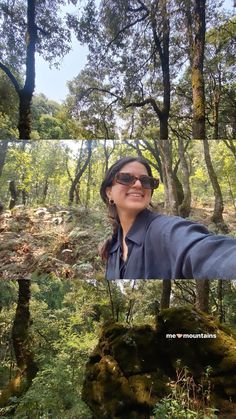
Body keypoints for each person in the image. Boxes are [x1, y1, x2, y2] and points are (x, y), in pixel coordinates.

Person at [100, 156, 236, 280]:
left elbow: (203, 251)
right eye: (126, 178)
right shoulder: (113, 248)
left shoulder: (165, 231)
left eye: (145, 181)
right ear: (109, 192)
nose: (138, 185)